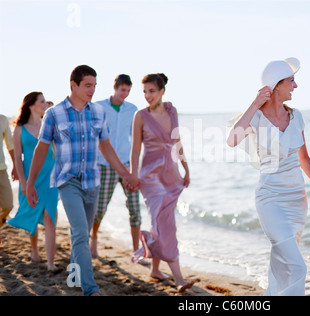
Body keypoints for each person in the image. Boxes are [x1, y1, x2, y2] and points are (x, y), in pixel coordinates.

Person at [26, 65, 134, 296]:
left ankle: (74, 277)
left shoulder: (98, 112)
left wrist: (125, 173)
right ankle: (90, 288)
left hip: (92, 181)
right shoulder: (54, 114)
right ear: (73, 85)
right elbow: (41, 149)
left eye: (94, 85)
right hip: (68, 181)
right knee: (79, 232)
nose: (92, 90)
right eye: (87, 85)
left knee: (81, 234)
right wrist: (30, 183)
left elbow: (105, 146)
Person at [227, 58, 310, 296]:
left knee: (282, 264)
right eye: (291, 81)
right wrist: (255, 104)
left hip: (298, 201)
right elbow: (232, 140)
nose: (295, 86)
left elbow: (305, 159)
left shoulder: (297, 117)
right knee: (297, 267)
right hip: (270, 200)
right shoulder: (255, 118)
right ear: (276, 85)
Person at [129, 73, 193, 293]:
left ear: (162, 91)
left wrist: (186, 168)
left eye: (152, 91)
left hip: (171, 175)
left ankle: (155, 268)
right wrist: (132, 174)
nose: (148, 95)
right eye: (145, 91)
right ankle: (179, 279)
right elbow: (136, 149)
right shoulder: (140, 116)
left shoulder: (172, 111)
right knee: (165, 224)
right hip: (150, 177)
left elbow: (177, 142)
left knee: (161, 222)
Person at [90, 74, 143, 261]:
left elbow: (135, 139)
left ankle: (137, 250)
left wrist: (135, 168)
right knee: (100, 208)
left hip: (127, 165)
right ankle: (94, 236)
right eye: (122, 90)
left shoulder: (133, 110)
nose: (125, 94)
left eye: (128, 91)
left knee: (135, 207)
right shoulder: (99, 107)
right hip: (104, 164)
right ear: (115, 87)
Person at [8, 92, 59, 271]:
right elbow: (17, 158)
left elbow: (56, 150)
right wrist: (23, 182)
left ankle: (51, 264)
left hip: (51, 177)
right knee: (33, 213)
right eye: (42, 101)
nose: (45, 104)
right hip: (31, 177)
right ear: (31, 105)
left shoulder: (50, 125)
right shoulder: (19, 128)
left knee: (50, 217)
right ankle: (35, 250)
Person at [0, 113, 16, 235]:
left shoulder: (3, 119)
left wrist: (15, 165)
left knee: (8, 205)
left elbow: (10, 145)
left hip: (2, 169)